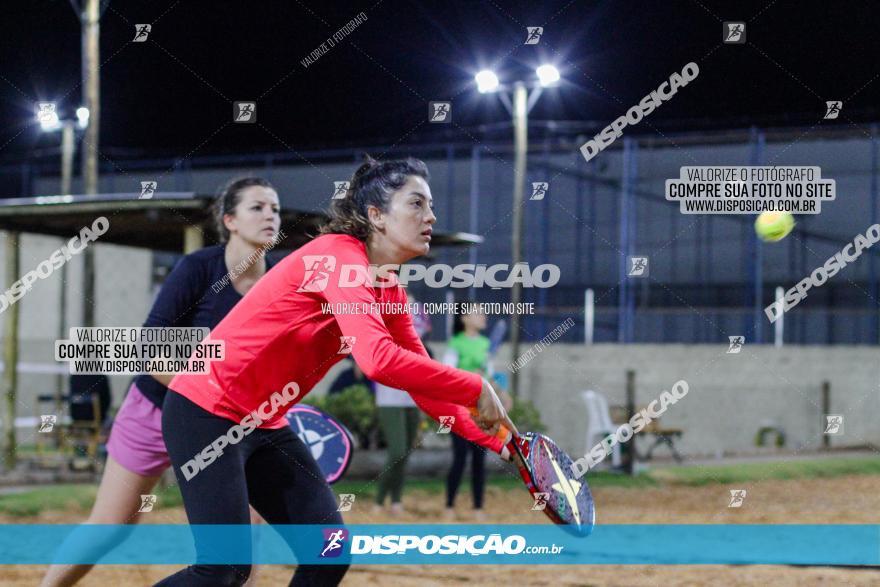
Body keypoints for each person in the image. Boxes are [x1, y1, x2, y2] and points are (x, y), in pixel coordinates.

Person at [155, 156, 516, 586]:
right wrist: (475, 386)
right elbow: (377, 359)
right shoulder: (338, 257)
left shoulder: (388, 288)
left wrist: (496, 439)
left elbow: (421, 381)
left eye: (431, 205)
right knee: (224, 570)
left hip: (264, 421)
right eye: (417, 204)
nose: (431, 216)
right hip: (205, 411)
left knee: (328, 553)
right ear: (376, 215)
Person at [40, 177, 282, 587]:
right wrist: (208, 393)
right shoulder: (197, 269)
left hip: (229, 423)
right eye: (257, 207)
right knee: (111, 526)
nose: (271, 216)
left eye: (275, 208)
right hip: (157, 408)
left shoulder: (279, 284)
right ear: (231, 221)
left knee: (245, 531)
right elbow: (148, 348)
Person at [444, 306, 512, 521]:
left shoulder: (485, 346)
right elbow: (447, 375)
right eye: (477, 313)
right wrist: (470, 376)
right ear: (464, 318)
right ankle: (449, 506)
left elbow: (490, 378)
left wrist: (502, 395)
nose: (483, 317)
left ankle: (478, 507)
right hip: (459, 410)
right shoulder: (455, 344)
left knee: (478, 459)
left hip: (480, 412)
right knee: (460, 458)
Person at [373, 293, 430, 516]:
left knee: (406, 452)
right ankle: (378, 501)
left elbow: (420, 334)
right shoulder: (383, 308)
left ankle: (396, 502)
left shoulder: (415, 305)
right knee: (397, 449)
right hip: (389, 397)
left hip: (412, 394)